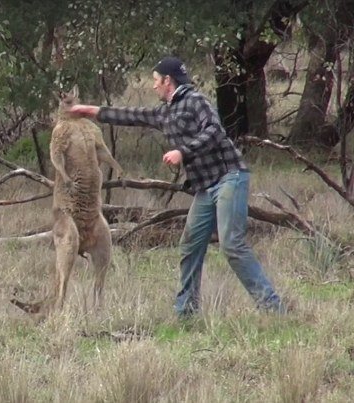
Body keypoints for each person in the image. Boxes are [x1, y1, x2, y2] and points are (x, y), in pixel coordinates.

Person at [69, 56, 285, 317]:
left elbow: (215, 131)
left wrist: (183, 151)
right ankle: (187, 312)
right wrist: (88, 111)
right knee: (191, 244)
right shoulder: (165, 112)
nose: (153, 87)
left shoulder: (196, 101)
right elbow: (130, 115)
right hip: (205, 187)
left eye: (156, 81)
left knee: (232, 245)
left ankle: (273, 309)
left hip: (229, 177)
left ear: (168, 81)